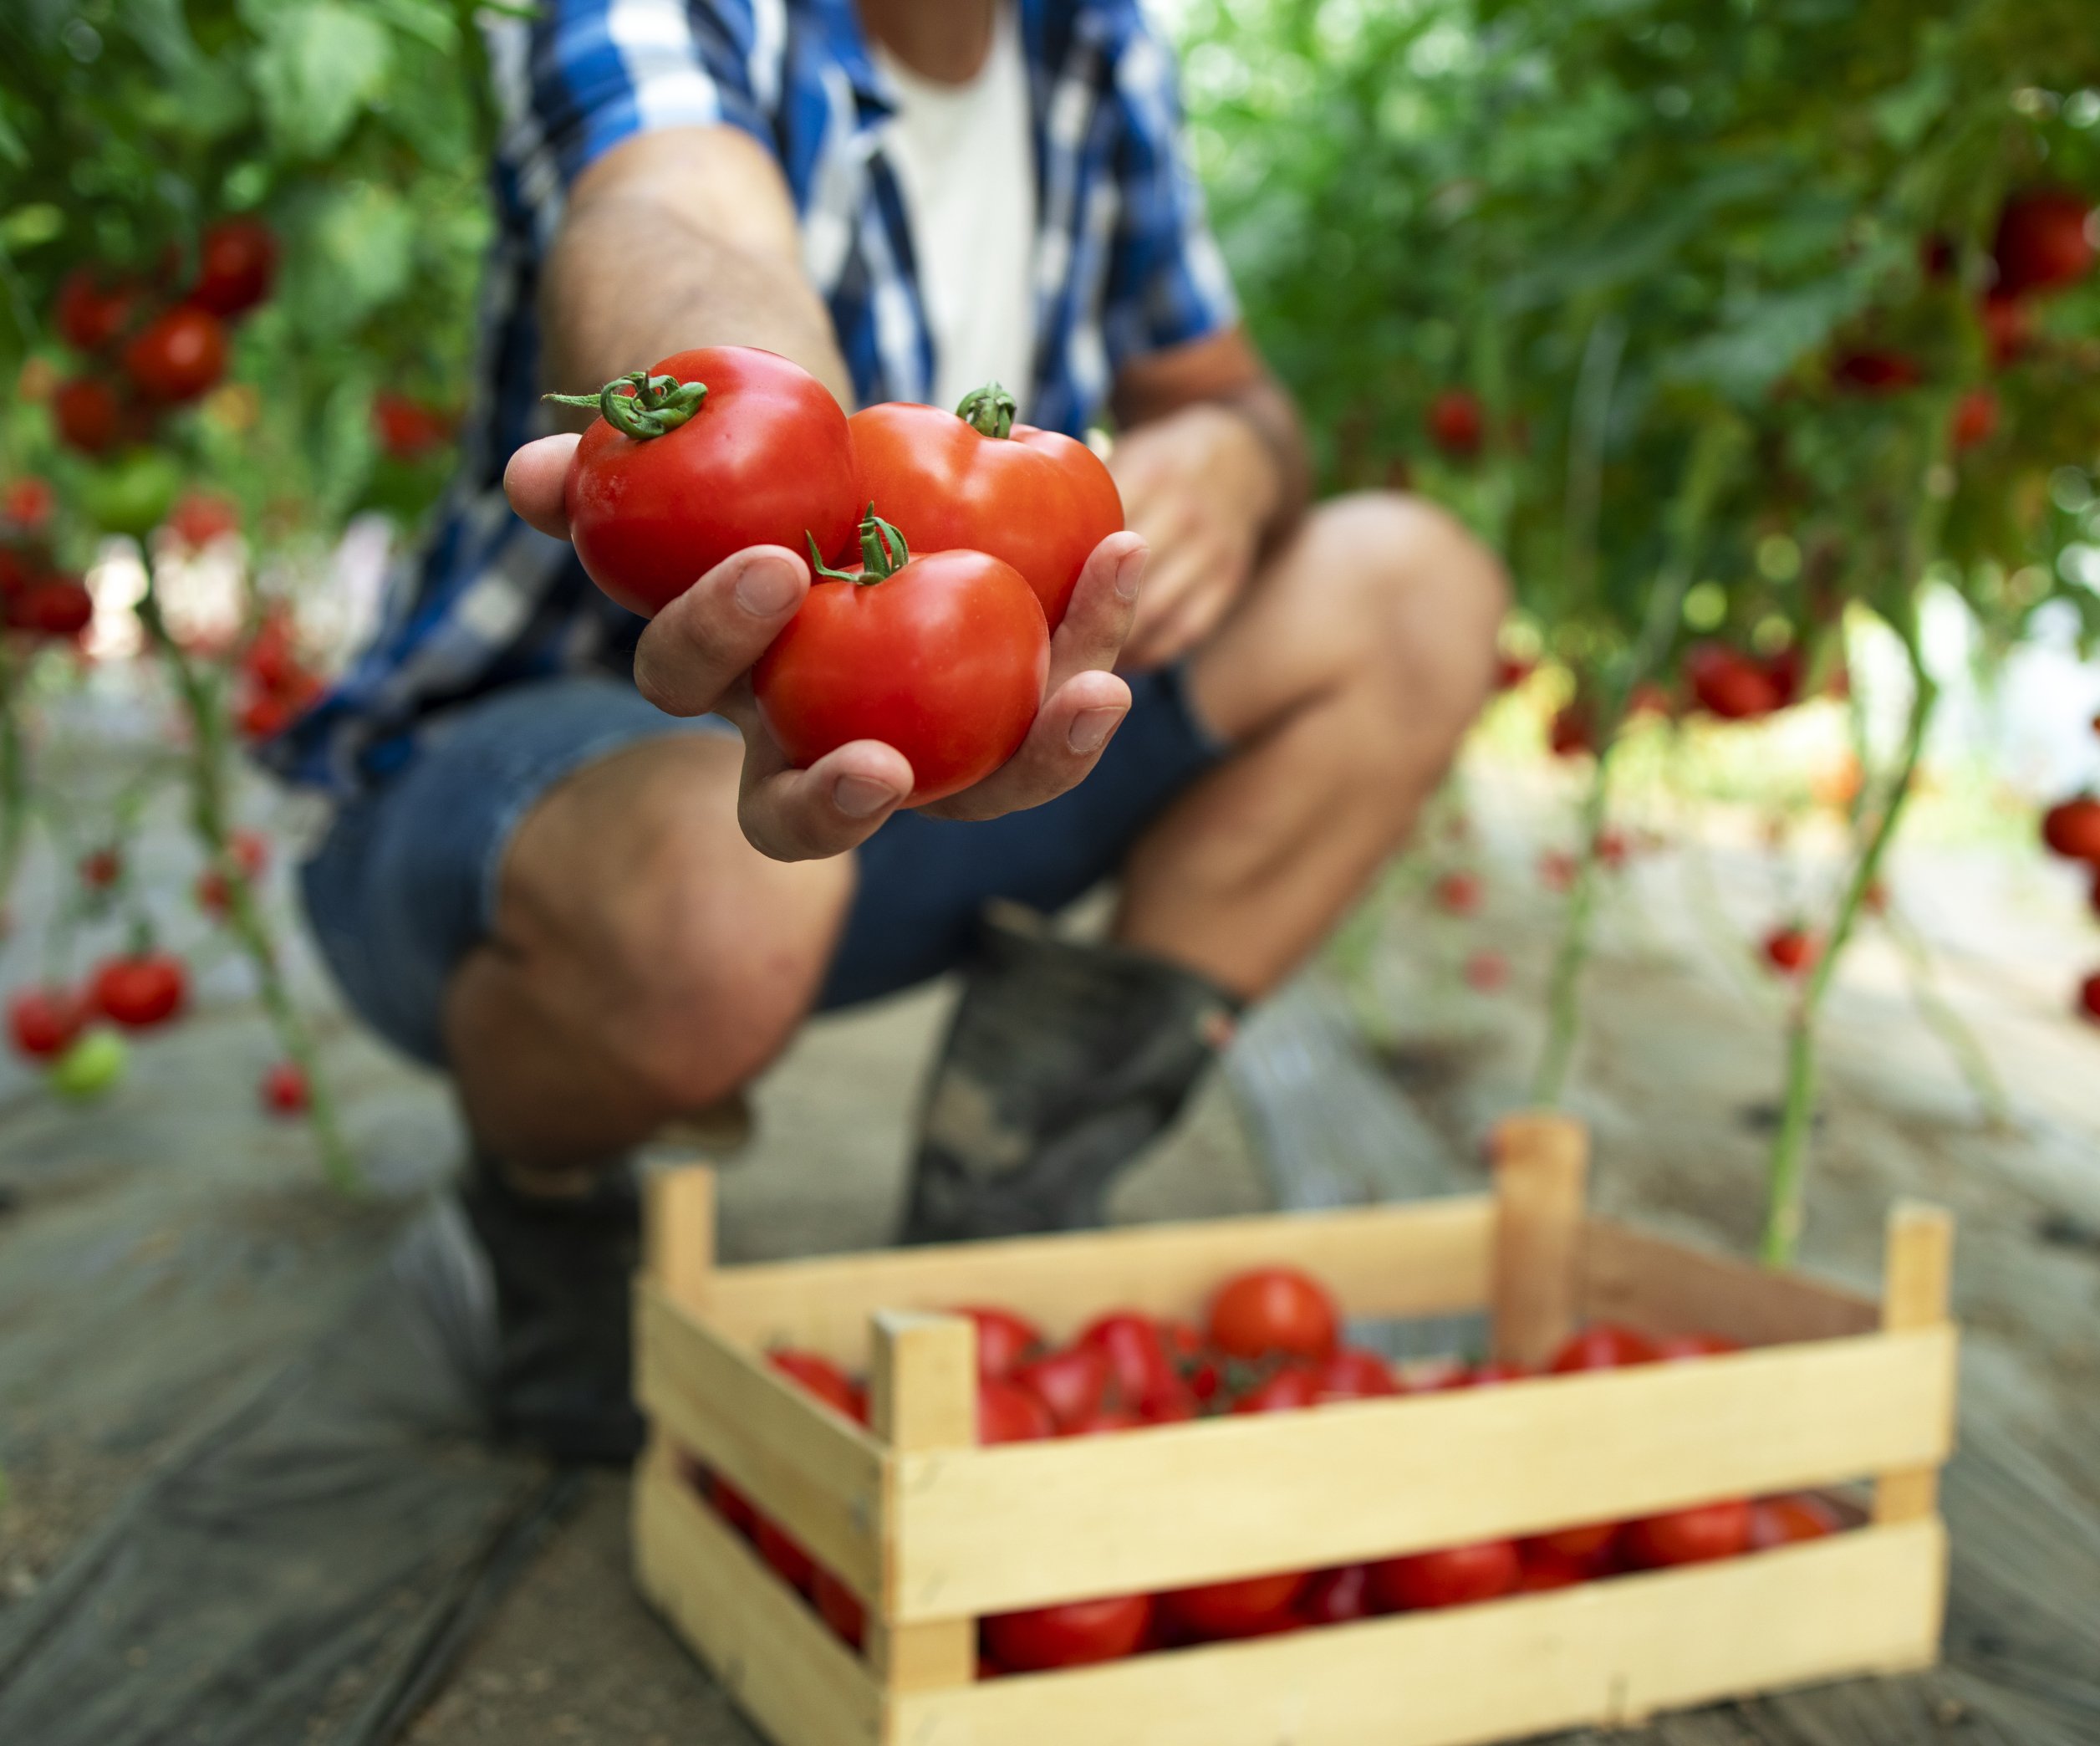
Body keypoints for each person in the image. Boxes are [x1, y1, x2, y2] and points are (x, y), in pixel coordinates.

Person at [271, 0, 1507, 1459]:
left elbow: (1227, 387)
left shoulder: (1092, 47)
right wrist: (758, 476)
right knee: (706, 901)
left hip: (935, 734)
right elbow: (673, 214)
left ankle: (1012, 1176)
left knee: (1415, 588)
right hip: (536, 803)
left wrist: (1231, 456)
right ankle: (544, 1211)